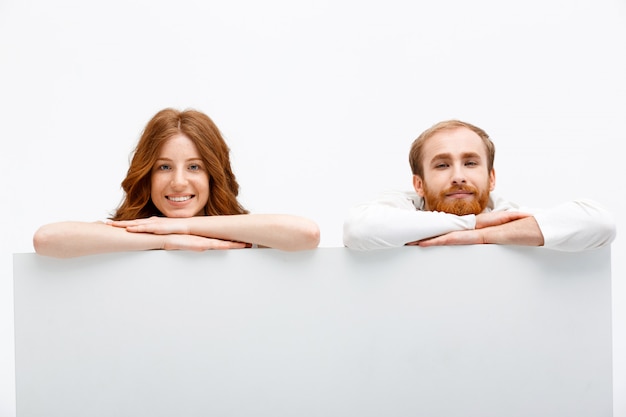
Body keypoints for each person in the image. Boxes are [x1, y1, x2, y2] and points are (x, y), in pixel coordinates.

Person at [34, 108, 320, 258]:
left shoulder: (241, 235)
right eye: (164, 167)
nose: (179, 182)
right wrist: (165, 240)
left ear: (213, 176)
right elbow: (47, 240)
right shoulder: (133, 232)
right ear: (147, 174)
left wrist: (184, 225)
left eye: (194, 166)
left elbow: (307, 235)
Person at [343, 119, 616, 251]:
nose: (458, 176)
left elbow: (600, 223)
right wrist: (473, 224)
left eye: (471, 163)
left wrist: (484, 236)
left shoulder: (506, 214)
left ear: (492, 178)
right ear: (419, 184)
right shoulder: (399, 208)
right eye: (442, 165)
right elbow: (358, 230)